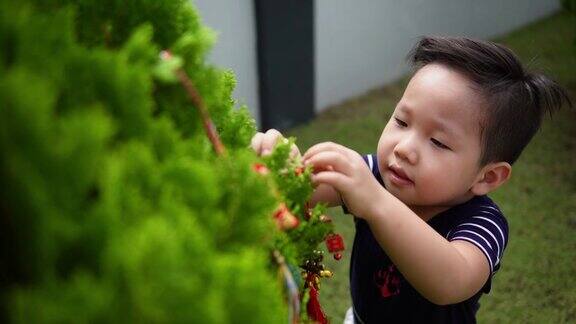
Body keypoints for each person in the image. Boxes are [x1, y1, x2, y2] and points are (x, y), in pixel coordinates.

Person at [251, 36, 570, 323]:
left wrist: (376, 202)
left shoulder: (483, 223)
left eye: (439, 142)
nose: (404, 149)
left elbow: (451, 282)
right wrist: (279, 163)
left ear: (486, 177)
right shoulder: (377, 173)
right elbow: (302, 191)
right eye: (402, 121)